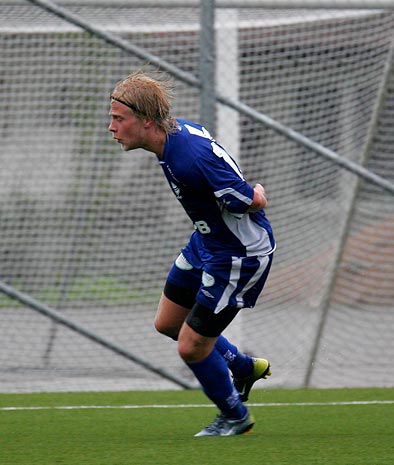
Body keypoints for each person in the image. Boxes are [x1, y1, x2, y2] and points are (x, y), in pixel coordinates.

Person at [109, 71, 275, 437]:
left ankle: (234, 416)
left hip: (237, 255)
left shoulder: (189, 158)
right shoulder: (174, 137)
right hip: (206, 243)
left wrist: (256, 192)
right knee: (168, 324)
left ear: (147, 120)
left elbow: (252, 199)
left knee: (192, 347)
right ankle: (243, 367)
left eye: (119, 119)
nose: (112, 127)